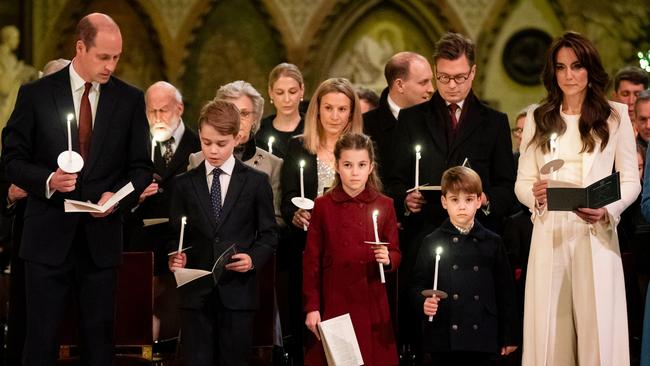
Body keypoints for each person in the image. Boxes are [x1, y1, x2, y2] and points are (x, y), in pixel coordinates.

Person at [2, 13, 153, 365]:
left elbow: (142, 169)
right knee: (39, 341)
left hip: (100, 242)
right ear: (80, 48)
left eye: (117, 57)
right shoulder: (36, 94)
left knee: (99, 343)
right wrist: (48, 181)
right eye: (104, 57)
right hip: (46, 238)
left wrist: (117, 196)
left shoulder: (129, 100)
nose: (111, 66)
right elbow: (11, 158)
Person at [515, 31, 640, 365]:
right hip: (551, 233)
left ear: (590, 69)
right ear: (552, 73)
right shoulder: (538, 117)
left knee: (597, 328)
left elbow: (630, 179)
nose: (568, 75)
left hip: (595, 232)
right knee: (551, 330)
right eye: (560, 67)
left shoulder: (615, 116)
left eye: (576, 66)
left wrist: (608, 209)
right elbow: (523, 182)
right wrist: (535, 195)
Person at [168, 99, 277, 365]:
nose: (213, 150)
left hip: (237, 294)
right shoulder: (184, 184)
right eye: (206, 142)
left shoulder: (255, 182)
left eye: (221, 143)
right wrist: (174, 255)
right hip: (195, 294)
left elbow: (269, 234)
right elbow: (175, 233)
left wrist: (252, 258)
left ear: (237, 138)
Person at [388, 33, 516, 236]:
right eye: (444, 77)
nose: (452, 85)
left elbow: (507, 186)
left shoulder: (494, 122)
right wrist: (405, 200)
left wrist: (485, 199)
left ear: (473, 72)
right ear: (435, 72)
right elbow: (393, 180)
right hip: (425, 233)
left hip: (478, 236)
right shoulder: (411, 119)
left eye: (459, 77)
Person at [280, 77, 363, 364]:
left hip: (348, 251)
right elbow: (289, 194)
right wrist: (297, 213)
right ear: (317, 110)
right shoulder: (299, 147)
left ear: (352, 113)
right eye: (328, 108)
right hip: (307, 249)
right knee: (310, 329)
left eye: (342, 109)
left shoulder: (360, 149)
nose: (335, 116)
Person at [303, 132, 400, 365]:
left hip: (371, 300)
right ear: (337, 166)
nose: (355, 172)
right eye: (348, 165)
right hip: (335, 298)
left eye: (361, 165)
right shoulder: (323, 206)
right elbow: (311, 260)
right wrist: (312, 307)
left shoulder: (384, 204)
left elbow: (395, 251)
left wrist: (387, 259)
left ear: (371, 167)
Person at [0, 57, 70, 366]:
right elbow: (9, 169)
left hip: (75, 236)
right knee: (30, 323)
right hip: (32, 237)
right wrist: (12, 193)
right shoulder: (26, 117)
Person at [411, 166, 518, 365]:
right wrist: (423, 302)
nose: (462, 206)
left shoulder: (493, 242)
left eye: (468, 200)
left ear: (479, 201)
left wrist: (509, 335)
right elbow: (417, 285)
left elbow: (506, 292)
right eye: (454, 200)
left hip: (483, 336)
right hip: (445, 338)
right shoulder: (431, 241)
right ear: (444, 202)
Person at [363, 51, 434, 182]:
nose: (431, 89)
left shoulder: (437, 121)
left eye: (431, 81)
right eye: (424, 82)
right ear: (400, 85)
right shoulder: (365, 125)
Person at [255, 62, 305, 159]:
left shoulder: (314, 129)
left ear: (302, 90)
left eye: (292, 92)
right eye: (280, 93)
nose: (287, 99)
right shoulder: (259, 132)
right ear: (271, 93)